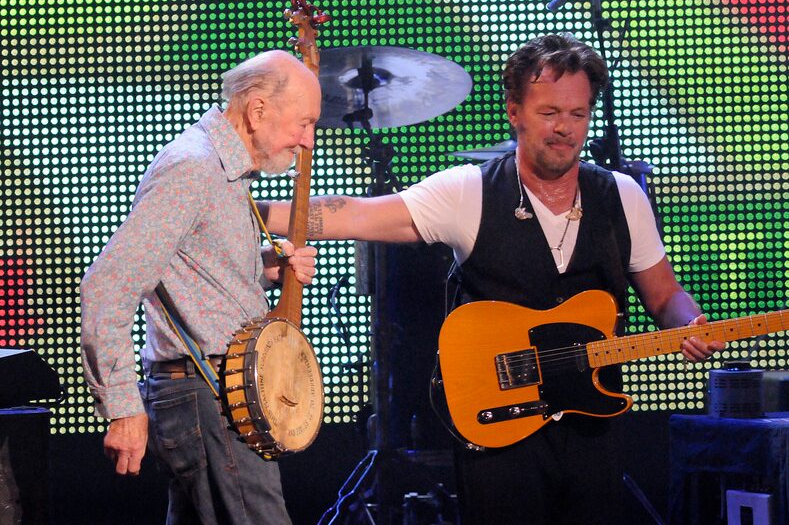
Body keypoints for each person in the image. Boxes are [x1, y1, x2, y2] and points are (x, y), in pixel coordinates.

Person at [257, 34, 725, 523]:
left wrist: (689, 321)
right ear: (514, 112)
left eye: (577, 115)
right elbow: (352, 215)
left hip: (593, 425)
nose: (564, 128)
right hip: (500, 430)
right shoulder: (468, 192)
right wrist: (258, 212)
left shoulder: (623, 196)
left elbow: (665, 294)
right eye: (549, 113)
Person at [80, 50, 320, 524]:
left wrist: (265, 265)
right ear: (257, 111)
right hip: (208, 398)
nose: (308, 140)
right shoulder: (193, 168)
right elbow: (108, 284)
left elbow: (190, 264)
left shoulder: (223, 170)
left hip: (216, 396)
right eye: (304, 123)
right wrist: (124, 407)